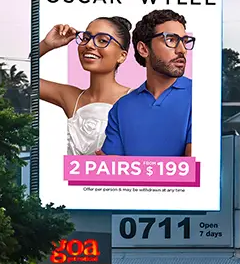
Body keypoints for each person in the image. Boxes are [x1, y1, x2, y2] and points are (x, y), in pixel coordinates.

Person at [99, 9, 195, 157]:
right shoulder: (121, 107)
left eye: (185, 41)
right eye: (171, 40)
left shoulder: (200, 98)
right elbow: (112, 172)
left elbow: (194, 171)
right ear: (144, 49)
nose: (182, 50)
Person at [39, 17, 132, 155]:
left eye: (102, 40)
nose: (89, 45)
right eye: (86, 38)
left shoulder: (136, 100)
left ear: (122, 56)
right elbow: (15, 77)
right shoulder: (71, 97)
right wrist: (46, 45)